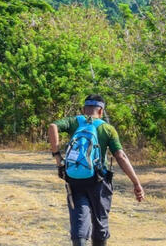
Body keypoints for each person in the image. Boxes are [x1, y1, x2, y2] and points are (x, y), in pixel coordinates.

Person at [48, 94, 145, 246]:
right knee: (100, 223)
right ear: (101, 111)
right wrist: (136, 183)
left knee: (79, 222)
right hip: (100, 182)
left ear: (83, 109)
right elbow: (121, 156)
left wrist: (57, 157)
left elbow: (53, 126)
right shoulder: (107, 129)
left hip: (75, 180)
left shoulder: (74, 122)